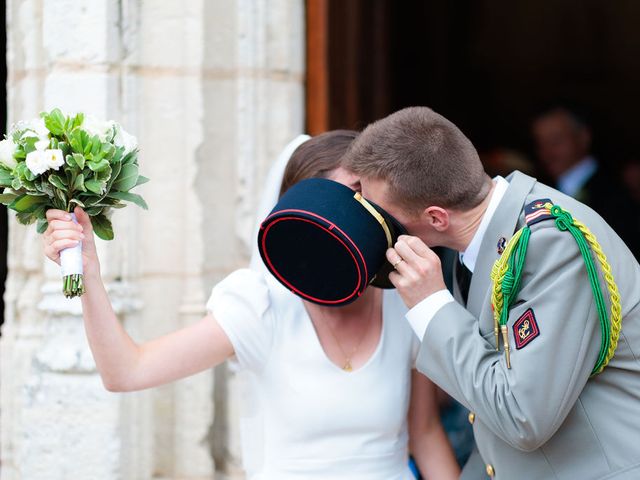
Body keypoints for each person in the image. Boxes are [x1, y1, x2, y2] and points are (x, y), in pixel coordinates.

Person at [42, 130, 459, 480]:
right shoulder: (260, 306)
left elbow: (423, 433)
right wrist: (90, 276)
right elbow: (126, 371)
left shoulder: (404, 297)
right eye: (351, 197)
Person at [343, 106, 640, 479]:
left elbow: (522, 417)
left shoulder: (553, 243)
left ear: (436, 217)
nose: (377, 227)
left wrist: (432, 305)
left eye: (380, 215)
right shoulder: (462, 243)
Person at [531, 105, 640, 258]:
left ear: (583, 137)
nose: (547, 152)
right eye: (540, 144)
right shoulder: (540, 194)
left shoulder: (616, 194)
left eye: (556, 141)